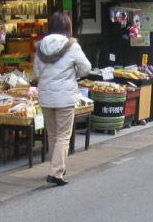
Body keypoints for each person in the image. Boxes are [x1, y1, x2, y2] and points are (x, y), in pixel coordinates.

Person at [33, 11, 91, 186]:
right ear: (67, 27)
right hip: (65, 97)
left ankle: (58, 166)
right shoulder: (72, 46)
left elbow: (36, 73)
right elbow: (86, 68)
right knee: (64, 135)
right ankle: (56, 172)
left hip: (46, 97)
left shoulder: (41, 46)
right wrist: (75, 74)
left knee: (53, 134)